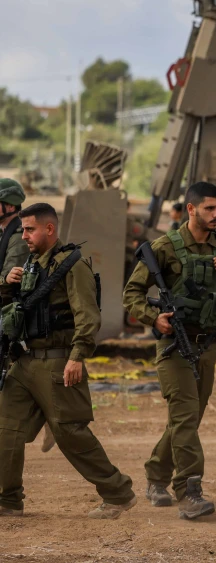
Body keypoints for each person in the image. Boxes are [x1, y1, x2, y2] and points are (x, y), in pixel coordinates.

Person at [123, 181, 216, 519]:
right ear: (191, 209)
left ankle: (156, 476)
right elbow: (131, 293)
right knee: (184, 416)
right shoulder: (164, 247)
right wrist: (155, 318)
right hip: (173, 347)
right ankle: (189, 491)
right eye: (209, 208)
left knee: (188, 419)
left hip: (207, 347)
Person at [0, 203, 136, 519]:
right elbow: (16, 310)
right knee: (5, 427)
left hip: (57, 363)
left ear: (49, 229)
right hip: (25, 361)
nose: (24, 236)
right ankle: (8, 500)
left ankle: (118, 493)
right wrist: (7, 282)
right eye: (22, 229)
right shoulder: (31, 265)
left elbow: (88, 316)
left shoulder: (73, 266)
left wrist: (77, 357)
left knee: (70, 433)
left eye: (30, 229)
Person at [0, 179, 55, 453]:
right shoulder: (6, 233)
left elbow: (11, 279)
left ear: (8, 206)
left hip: (16, 316)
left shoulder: (16, 239)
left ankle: (48, 416)